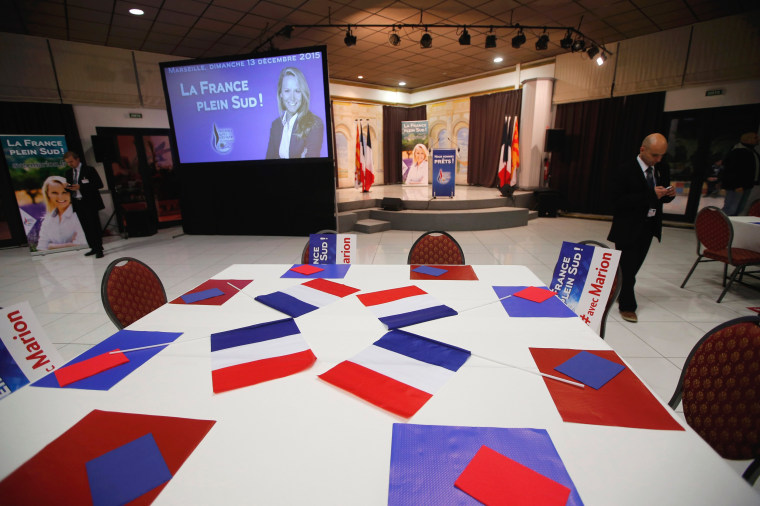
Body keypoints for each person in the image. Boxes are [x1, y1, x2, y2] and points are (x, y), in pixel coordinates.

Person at [607, 133, 675, 323]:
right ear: (642, 150)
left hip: (648, 225)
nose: (658, 159)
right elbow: (617, 201)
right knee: (628, 268)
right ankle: (628, 306)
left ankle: (619, 289)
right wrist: (650, 195)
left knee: (633, 267)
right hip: (627, 226)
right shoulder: (624, 170)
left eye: (662, 155)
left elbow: (662, 196)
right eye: (655, 155)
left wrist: (669, 195)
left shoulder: (661, 168)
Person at [265, 67, 324, 159]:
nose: (292, 98)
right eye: (287, 91)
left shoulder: (314, 123)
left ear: (303, 94)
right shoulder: (275, 125)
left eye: (297, 91)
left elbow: (311, 164)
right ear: (281, 94)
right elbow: (269, 161)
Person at [64, 151, 105, 258]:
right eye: (68, 163)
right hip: (78, 203)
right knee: (85, 226)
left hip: (90, 202)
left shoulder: (89, 170)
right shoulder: (68, 173)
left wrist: (81, 186)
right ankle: (93, 247)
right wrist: (67, 187)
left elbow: (99, 184)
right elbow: (69, 188)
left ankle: (99, 248)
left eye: (71, 161)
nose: (70, 164)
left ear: (78, 159)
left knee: (94, 225)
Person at [36, 175, 87, 251]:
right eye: (54, 193)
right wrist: (69, 244)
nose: (60, 197)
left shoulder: (79, 214)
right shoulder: (47, 220)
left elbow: (83, 244)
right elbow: (41, 248)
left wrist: (51, 246)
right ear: (47, 194)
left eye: (64, 192)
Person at [721, 132, 759, 215]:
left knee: (738, 207)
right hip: (738, 185)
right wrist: (737, 184)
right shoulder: (738, 151)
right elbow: (733, 169)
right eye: (755, 137)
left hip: (746, 184)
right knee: (731, 207)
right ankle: (722, 224)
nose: (758, 139)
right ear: (747, 140)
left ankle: (731, 224)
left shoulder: (750, 151)